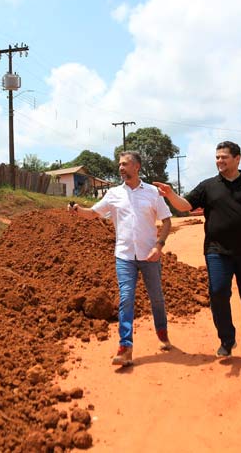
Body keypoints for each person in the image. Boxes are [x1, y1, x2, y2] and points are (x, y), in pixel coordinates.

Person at [155, 141, 241, 364]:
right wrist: (170, 194)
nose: (219, 161)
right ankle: (227, 340)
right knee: (218, 293)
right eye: (217, 157)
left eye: (224, 157)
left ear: (237, 158)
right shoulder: (208, 186)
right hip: (217, 251)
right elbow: (186, 206)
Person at [69, 151, 173, 367]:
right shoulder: (114, 194)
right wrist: (78, 210)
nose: (120, 168)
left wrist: (159, 246)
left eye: (125, 164)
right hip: (124, 256)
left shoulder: (153, 193)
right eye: (119, 165)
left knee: (156, 298)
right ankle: (125, 347)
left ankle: (162, 332)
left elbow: (167, 222)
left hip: (149, 255)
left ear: (137, 167)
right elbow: (94, 213)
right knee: (126, 299)